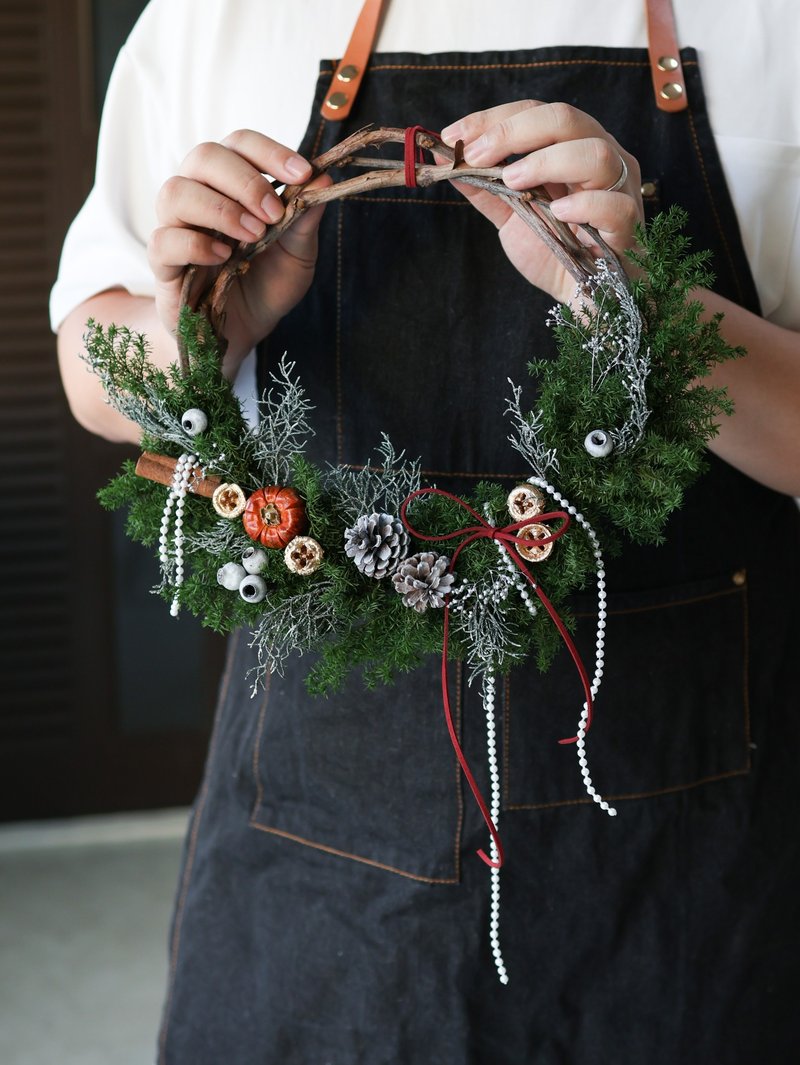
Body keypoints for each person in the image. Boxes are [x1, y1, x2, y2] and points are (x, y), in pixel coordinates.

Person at [52, 1, 800, 1061]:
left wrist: (647, 308)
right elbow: (94, 367)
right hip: (318, 856)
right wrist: (211, 318)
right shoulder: (212, 18)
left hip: (696, 862)